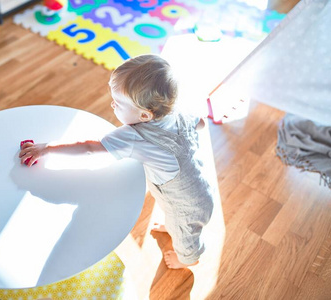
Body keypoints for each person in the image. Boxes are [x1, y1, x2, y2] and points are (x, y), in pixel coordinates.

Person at [19, 54, 215, 269]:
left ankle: (188, 259)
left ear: (145, 116)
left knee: (186, 235)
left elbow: (89, 149)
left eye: (119, 103)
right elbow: (202, 123)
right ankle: (173, 226)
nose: (112, 104)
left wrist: (47, 148)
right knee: (175, 218)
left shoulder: (134, 136)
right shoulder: (176, 111)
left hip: (186, 205)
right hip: (198, 185)